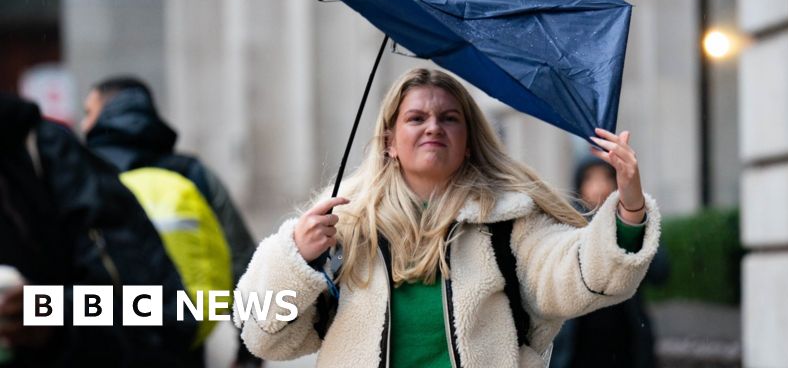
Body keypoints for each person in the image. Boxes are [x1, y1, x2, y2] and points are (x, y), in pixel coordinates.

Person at [234, 67, 661, 367]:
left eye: (449, 119)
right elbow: (263, 336)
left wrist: (629, 206)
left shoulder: (508, 220)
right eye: (416, 118)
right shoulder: (340, 223)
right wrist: (297, 259)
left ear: (469, 141)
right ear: (390, 141)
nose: (433, 127)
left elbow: (584, 276)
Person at [0, 93, 195, 367]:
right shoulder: (191, 171)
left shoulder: (47, 156)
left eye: (88, 113)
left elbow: (159, 315)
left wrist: (51, 312)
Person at [80, 77, 261, 368]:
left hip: (105, 343)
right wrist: (249, 351)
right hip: (184, 338)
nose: (83, 124)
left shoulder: (82, 176)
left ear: (107, 114)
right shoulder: (193, 174)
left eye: (88, 112)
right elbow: (242, 262)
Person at [549, 158, 671, 368]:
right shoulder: (564, 226)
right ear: (579, 184)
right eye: (591, 178)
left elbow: (660, 272)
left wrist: (632, 227)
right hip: (576, 346)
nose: (600, 186)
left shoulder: (635, 220)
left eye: (606, 177)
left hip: (626, 342)